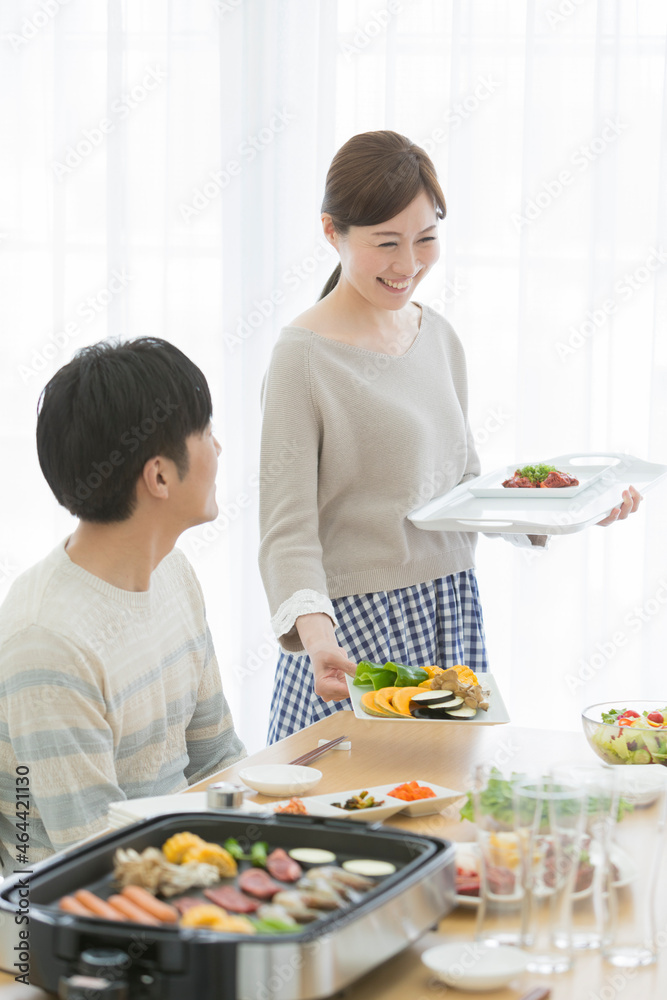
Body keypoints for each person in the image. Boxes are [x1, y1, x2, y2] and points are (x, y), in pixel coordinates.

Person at [258, 130, 642, 744]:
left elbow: (462, 486)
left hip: (448, 608)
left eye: (426, 239)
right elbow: (287, 531)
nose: (408, 264)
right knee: (346, 795)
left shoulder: (437, 335)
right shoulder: (302, 357)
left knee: (445, 794)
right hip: (353, 632)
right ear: (332, 232)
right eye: (387, 242)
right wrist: (318, 635)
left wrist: (574, 505)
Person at [0, 338, 246, 869]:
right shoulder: (48, 640)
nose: (219, 447)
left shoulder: (174, 573)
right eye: (205, 432)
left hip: (189, 865)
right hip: (89, 903)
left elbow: (218, 762)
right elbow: (93, 854)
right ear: (159, 476)